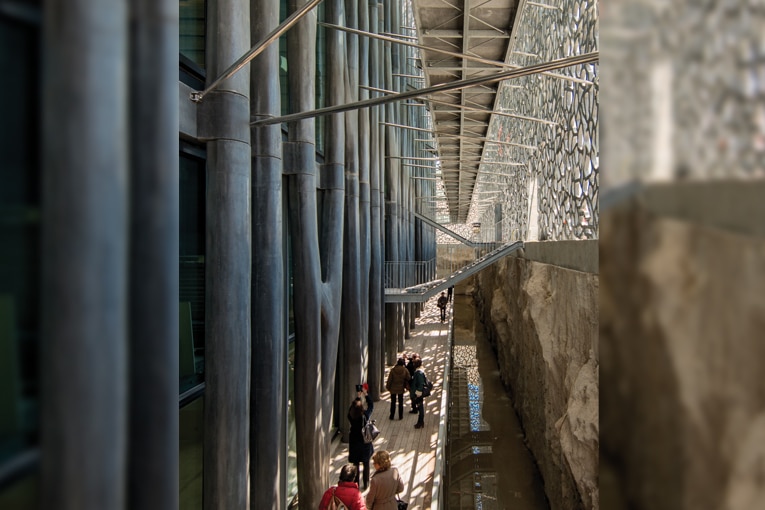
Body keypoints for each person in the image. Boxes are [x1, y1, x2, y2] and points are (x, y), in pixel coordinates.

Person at [348, 388, 375, 489]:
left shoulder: (351, 416)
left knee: (355, 464)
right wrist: (366, 394)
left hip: (354, 444)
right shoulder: (365, 416)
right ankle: (366, 483)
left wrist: (357, 397)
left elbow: (351, 409)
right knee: (366, 463)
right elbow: (371, 405)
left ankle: (356, 484)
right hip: (365, 443)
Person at [410, 358, 427, 429]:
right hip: (418, 393)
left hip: (418, 394)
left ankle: (420, 422)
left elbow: (420, 384)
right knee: (420, 407)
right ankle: (420, 422)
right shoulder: (419, 372)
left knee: (420, 407)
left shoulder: (418, 373)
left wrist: (417, 393)